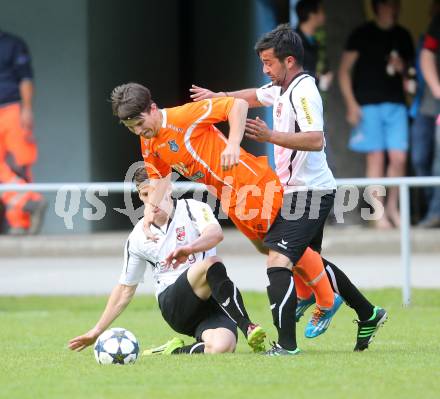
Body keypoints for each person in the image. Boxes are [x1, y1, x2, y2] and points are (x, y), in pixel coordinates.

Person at [190, 24, 387, 352]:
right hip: (293, 192)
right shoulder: (281, 87)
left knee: (278, 259)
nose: (265, 69)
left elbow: (315, 139)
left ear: (290, 61)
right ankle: (368, 313)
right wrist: (219, 99)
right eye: (263, 63)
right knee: (308, 261)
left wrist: (270, 136)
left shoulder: (304, 90)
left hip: (311, 193)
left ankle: (286, 345)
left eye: (269, 63)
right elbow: (254, 95)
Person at [111, 82, 341, 356]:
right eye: (130, 128)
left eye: (139, 123)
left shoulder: (183, 116)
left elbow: (238, 105)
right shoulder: (149, 140)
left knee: (282, 249)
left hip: (250, 185)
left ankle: (327, 299)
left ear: (151, 108)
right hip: (230, 196)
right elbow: (159, 178)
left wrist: (233, 144)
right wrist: (149, 211)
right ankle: (315, 294)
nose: (138, 131)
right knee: (269, 247)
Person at [69, 167, 266, 355]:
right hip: (174, 303)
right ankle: (247, 326)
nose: (151, 200)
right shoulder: (138, 237)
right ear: (140, 196)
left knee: (222, 347)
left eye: (155, 191)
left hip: (211, 303)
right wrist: (96, 331)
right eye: (145, 195)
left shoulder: (193, 208)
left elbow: (215, 234)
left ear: (168, 187)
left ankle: (173, 351)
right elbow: (125, 289)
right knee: (211, 263)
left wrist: (190, 248)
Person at [339, 0, 414, 229]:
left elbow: (410, 76)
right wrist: (351, 104)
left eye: (396, 5)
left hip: (397, 105)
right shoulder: (362, 33)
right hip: (367, 105)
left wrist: (402, 69)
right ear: (378, 7)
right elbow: (343, 71)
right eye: (389, 5)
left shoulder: (403, 35)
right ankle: (378, 213)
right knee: (376, 158)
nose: (394, 9)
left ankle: (393, 208)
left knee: (399, 157)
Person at [0, 29, 46, 234]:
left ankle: (19, 223)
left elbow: (25, 79)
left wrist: (27, 109)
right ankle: (32, 201)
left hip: (12, 109)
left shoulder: (13, 43)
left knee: (19, 165)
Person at [418, 9, 440, 227]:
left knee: (437, 162)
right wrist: (437, 89)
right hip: (430, 104)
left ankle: (435, 213)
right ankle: (431, 208)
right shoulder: (437, 23)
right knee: (421, 158)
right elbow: (427, 55)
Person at [295, 0, 333, 90]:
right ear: (312, 14)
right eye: (321, 11)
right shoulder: (292, 41)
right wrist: (319, 80)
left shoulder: (316, 42)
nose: (324, 15)